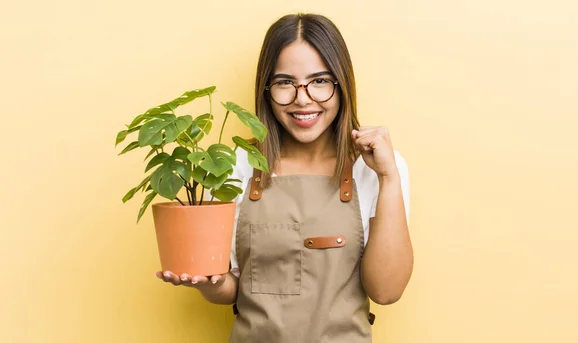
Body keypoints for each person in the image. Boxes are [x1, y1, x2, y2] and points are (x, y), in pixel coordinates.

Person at [156, 13, 413, 342]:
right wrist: (212, 283)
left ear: (341, 84)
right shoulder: (236, 165)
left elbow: (387, 290)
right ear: (266, 89)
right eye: (285, 83)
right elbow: (231, 290)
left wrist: (389, 178)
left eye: (319, 81)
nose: (302, 98)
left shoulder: (377, 168)